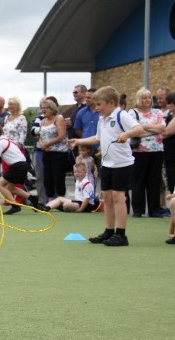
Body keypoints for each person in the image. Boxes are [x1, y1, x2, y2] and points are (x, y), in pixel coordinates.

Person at [69, 86, 144, 246]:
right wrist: (79, 141)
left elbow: (139, 128)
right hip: (107, 163)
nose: (96, 108)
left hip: (122, 164)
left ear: (111, 103)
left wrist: (126, 134)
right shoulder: (102, 119)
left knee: (118, 197)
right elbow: (97, 138)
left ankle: (121, 234)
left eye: (99, 104)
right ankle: (109, 231)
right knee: (108, 198)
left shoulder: (121, 115)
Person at [0, 123, 41, 214]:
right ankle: (33, 198)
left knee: (0, 185)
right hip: (23, 164)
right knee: (10, 188)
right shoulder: (7, 139)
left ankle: (15, 206)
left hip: (17, 165)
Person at [129, 88, 166, 218]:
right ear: (139, 99)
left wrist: (144, 128)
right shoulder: (132, 113)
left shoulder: (157, 112)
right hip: (139, 150)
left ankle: (154, 209)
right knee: (138, 180)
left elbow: (163, 127)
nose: (147, 100)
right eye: (144, 97)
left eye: (149, 97)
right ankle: (138, 209)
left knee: (154, 180)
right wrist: (154, 130)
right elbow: (135, 129)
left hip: (157, 150)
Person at [39, 98, 69, 202]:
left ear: (52, 108)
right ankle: (50, 200)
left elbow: (61, 136)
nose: (43, 110)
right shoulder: (42, 121)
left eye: (46, 107)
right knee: (47, 178)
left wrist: (48, 144)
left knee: (58, 176)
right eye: (42, 108)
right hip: (46, 153)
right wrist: (43, 144)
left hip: (58, 153)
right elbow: (41, 135)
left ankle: (61, 199)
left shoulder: (59, 118)